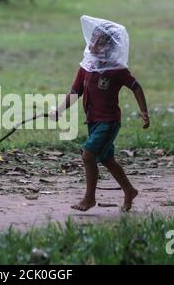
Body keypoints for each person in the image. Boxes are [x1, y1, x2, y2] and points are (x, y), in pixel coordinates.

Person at [51, 15, 150, 212]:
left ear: (111, 47)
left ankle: (89, 198)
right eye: (93, 39)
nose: (94, 44)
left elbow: (136, 87)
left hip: (109, 121)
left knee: (88, 156)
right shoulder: (87, 67)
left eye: (100, 41)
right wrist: (59, 110)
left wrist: (144, 112)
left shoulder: (117, 70)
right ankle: (129, 190)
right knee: (106, 159)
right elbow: (75, 92)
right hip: (93, 121)